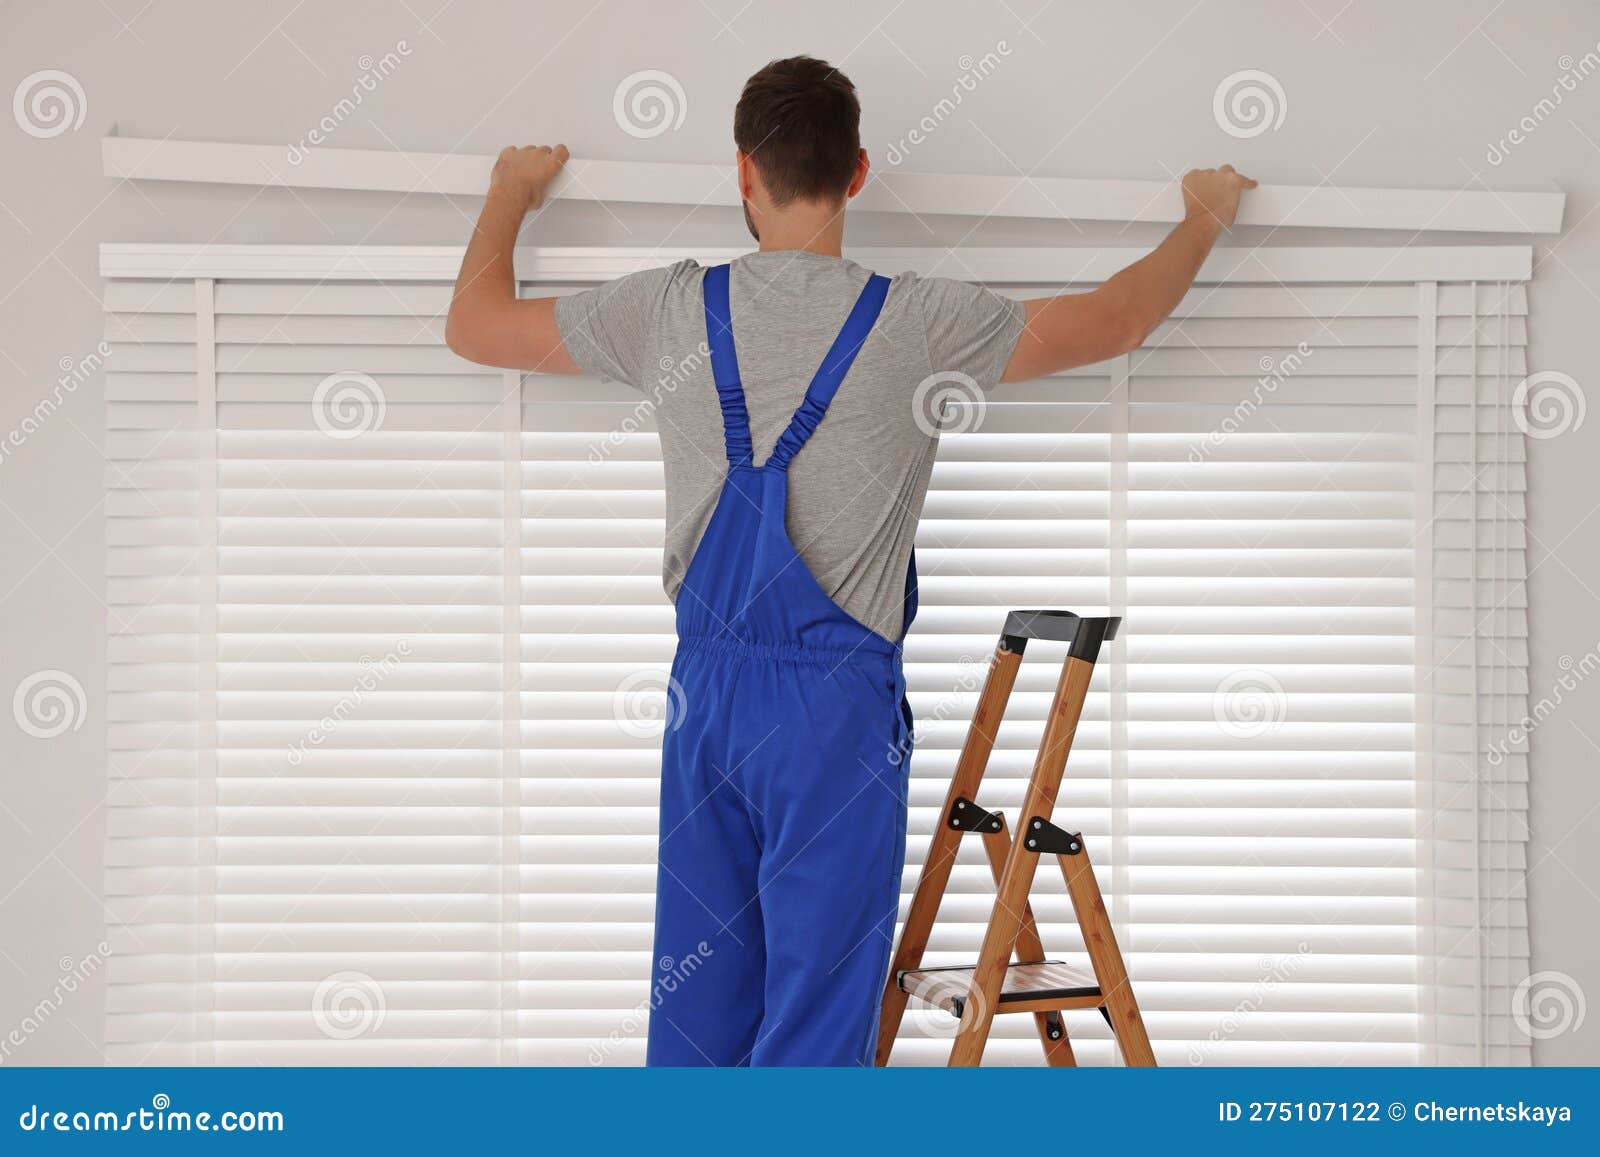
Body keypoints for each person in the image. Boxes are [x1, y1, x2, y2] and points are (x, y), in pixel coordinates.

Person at [447, 55, 1254, 1067]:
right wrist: (1204, 215)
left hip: (704, 702)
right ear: (859, 171)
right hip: (831, 714)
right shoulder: (918, 321)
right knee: (818, 1010)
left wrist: (510, 194)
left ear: (743, 172)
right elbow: (1119, 319)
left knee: (697, 1001)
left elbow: (472, 324)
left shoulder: (664, 312)